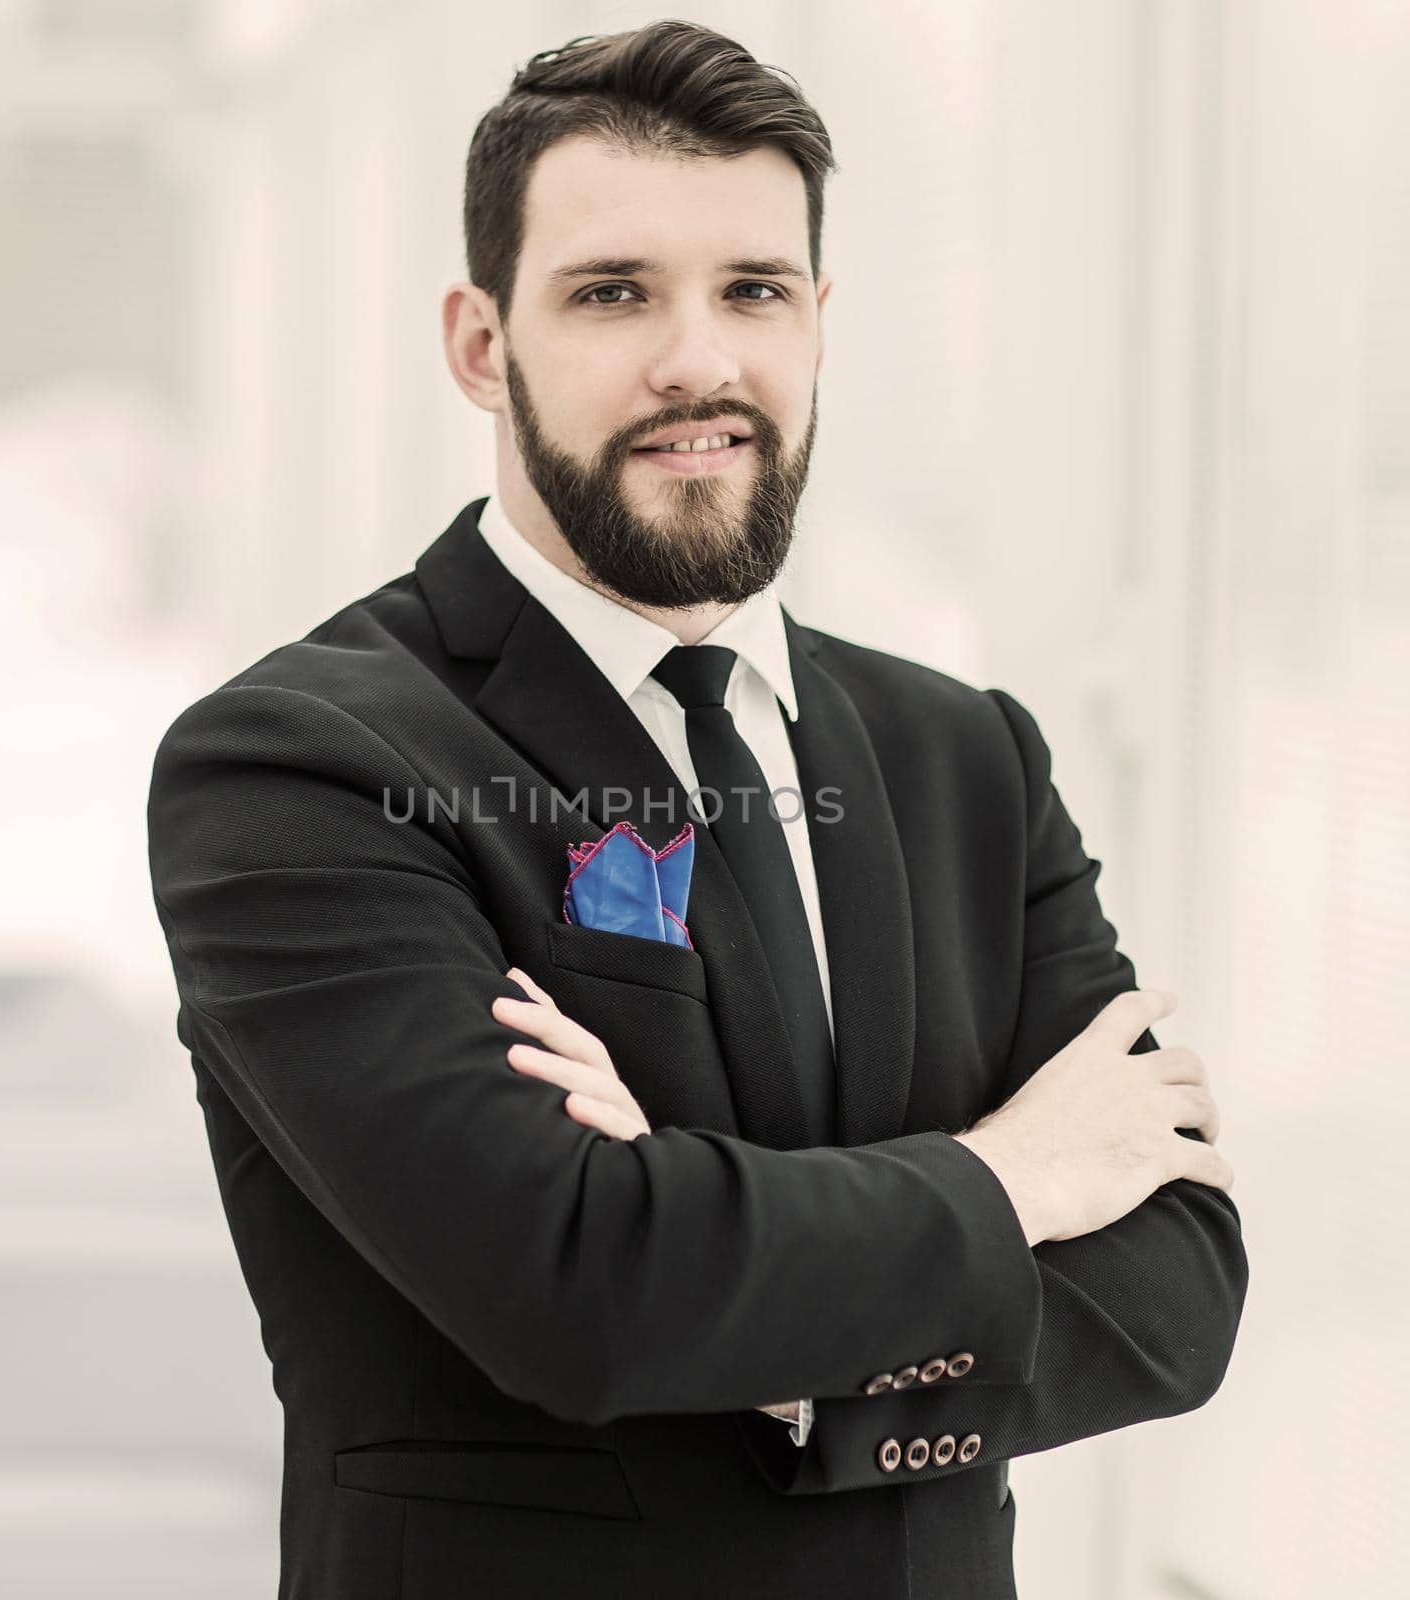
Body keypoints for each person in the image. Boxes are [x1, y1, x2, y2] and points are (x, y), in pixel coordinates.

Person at [145, 21, 1246, 1598]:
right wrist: (1020, 1178)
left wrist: (772, 1326)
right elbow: (581, 1284)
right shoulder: (296, 764)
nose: (698, 363)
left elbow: (1176, 1288)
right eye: (612, 294)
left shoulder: (967, 760)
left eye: (754, 290)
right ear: (479, 342)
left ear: (817, 325)